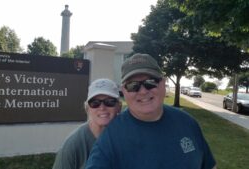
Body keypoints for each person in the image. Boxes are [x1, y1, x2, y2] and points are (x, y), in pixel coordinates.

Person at [85, 53, 217, 169]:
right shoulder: (110, 139)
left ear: (163, 84)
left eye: (150, 82)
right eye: (133, 86)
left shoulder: (187, 122)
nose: (143, 91)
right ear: (124, 91)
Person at [52, 78, 122, 169]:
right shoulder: (73, 145)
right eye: (95, 103)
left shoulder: (127, 137)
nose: (102, 108)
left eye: (110, 102)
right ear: (87, 108)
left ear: (119, 107)